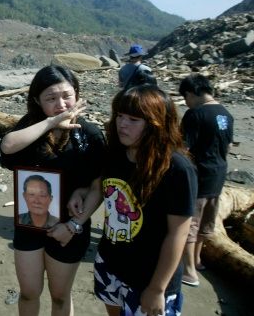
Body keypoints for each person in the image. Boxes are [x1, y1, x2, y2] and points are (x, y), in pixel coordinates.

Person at [0, 65, 106, 316]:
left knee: (59, 297)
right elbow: (7, 146)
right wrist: (51, 123)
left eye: (67, 96)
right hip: (29, 225)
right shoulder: (30, 129)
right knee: (28, 292)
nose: (61, 103)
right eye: (51, 98)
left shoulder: (89, 134)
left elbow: (98, 185)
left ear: (77, 94)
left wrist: (75, 225)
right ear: (37, 100)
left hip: (70, 229)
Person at [94, 85, 197, 316]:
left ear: (156, 123)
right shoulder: (116, 153)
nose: (122, 124)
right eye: (119, 115)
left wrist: (157, 288)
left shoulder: (177, 168)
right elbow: (102, 188)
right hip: (110, 263)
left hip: (149, 276)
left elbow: (178, 234)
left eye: (133, 119)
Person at [178, 73, 233, 287]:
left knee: (190, 223)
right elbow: (227, 147)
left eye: (186, 97)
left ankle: (189, 271)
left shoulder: (195, 114)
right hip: (218, 173)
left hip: (198, 175)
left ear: (191, 93)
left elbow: (184, 148)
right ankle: (197, 260)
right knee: (205, 223)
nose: (186, 102)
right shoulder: (226, 114)